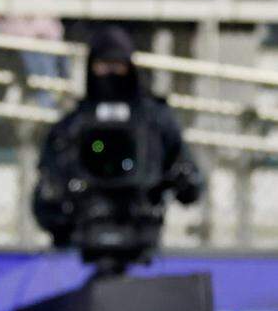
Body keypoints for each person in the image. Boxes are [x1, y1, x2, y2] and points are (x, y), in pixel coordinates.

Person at [33, 26, 203, 270]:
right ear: (91, 67)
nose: (110, 73)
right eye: (103, 64)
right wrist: (60, 206)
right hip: (80, 247)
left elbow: (191, 184)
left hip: (142, 239)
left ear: (130, 67)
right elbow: (44, 195)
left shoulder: (155, 121)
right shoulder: (72, 126)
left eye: (117, 64)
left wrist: (180, 181)